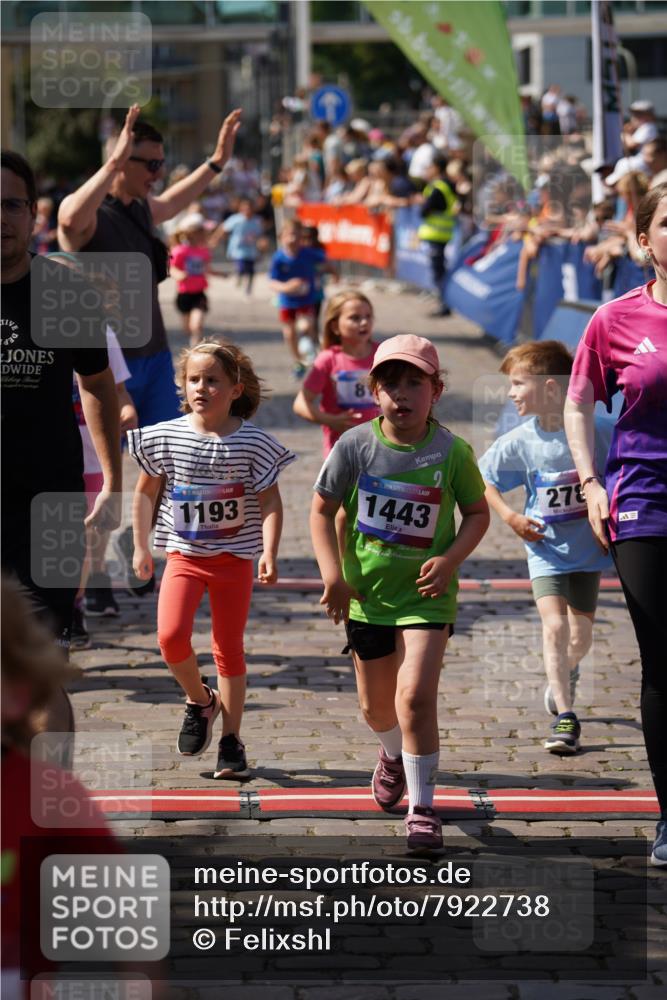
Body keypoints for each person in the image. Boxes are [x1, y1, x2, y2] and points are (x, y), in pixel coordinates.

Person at [310, 335, 489, 850]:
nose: (402, 394)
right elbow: (321, 510)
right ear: (374, 391)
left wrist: (451, 558)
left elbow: (477, 514)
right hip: (367, 597)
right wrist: (334, 576)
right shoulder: (356, 445)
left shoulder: (451, 451)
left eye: (415, 383)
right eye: (391, 383)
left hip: (427, 597)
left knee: (414, 699)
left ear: (437, 390)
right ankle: (391, 752)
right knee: (377, 709)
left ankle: (422, 807)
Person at [128, 341, 295, 780]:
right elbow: (145, 493)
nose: (202, 388)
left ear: (235, 389)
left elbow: (272, 502)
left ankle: (231, 741)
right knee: (169, 637)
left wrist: (270, 551)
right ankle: (201, 701)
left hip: (233, 561)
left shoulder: (253, 442)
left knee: (228, 650)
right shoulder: (167, 434)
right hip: (182, 557)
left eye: (213, 381)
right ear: (183, 385)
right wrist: (140, 546)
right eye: (194, 380)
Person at [564, 183, 667, 866]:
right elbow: (577, 404)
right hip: (645, 500)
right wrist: (590, 482)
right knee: (663, 658)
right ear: (642, 241)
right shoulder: (615, 319)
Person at [1, 150, 121, 653]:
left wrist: (113, 481)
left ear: (33, 214)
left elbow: (97, 384)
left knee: (40, 650)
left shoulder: (65, 292)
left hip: (50, 499)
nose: (1, 217)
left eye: (11, 204)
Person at [58, 103, 242, 428]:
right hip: (105, 362)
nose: (158, 174)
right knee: (103, 465)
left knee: (165, 460)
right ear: (122, 160)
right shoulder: (91, 214)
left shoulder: (140, 208)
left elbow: (173, 201)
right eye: (152, 164)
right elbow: (70, 220)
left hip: (154, 356)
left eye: (161, 163)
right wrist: (112, 163)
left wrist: (217, 162)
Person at [479, 341, 612, 754]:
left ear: (552, 389)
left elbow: (621, 474)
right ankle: (566, 717)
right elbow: (484, 480)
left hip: (589, 552)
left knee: (582, 636)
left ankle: (563, 674)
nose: (511, 393)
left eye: (519, 383)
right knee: (554, 626)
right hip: (545, 550)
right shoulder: (520, 441)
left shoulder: (599, 431)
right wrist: (511, 518)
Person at [293, 290, 380, 457]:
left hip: (380, 448)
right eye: (355, 318)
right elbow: (300, 404)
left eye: (368, 316)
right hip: (341, 451)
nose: (364, 322)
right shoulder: (328, 360)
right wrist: (330, 420)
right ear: (335, 326)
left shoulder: (383, 353)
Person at [269, 219, 334, 378]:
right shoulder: (278, 258)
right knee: (289, 335)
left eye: (297, 236)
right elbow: (272, 282)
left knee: (305, 327)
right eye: (290, 235)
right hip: (287, 302)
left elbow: (326, 261)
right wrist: (287, 287)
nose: (293, 239)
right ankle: (298, 361)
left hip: (306, 301)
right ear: (281, 237)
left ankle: (312, 350)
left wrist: (333, 272)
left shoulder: (308, 253)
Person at [170, 211, 228, 347]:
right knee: (187, 328)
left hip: (199, 293)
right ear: (193, 234)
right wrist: (178, 274)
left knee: (196, 326)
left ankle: (195, 347)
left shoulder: (204, 251)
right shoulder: (179, 251)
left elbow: (207, 269)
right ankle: (193, 339)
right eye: (203, 232)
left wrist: (219, 274)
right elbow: (171, 268)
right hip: (184, 294)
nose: (206, 235)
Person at [417, 155, 458, 317]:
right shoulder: (446, 185)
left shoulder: (437, 188)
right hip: (443, 235)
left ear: (436, 168)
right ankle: (444, 303)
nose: (427, 170)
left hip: (436, 235)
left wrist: (422, 203)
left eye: (429, 166)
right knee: (440, 271)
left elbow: (424, 211)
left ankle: (444, 305)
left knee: (439, 273)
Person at [218, 196, 265, 296]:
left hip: (251, 250)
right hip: (238, 249)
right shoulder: (236, 219)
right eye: (245, 209)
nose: (247, 211)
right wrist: (216, 239)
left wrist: (262, 245)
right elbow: (224, 228)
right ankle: (239, 276)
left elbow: (260, 234)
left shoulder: (257, 221)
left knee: (251, 270)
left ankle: (249, 287)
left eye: (249, 208)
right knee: (241, 266)